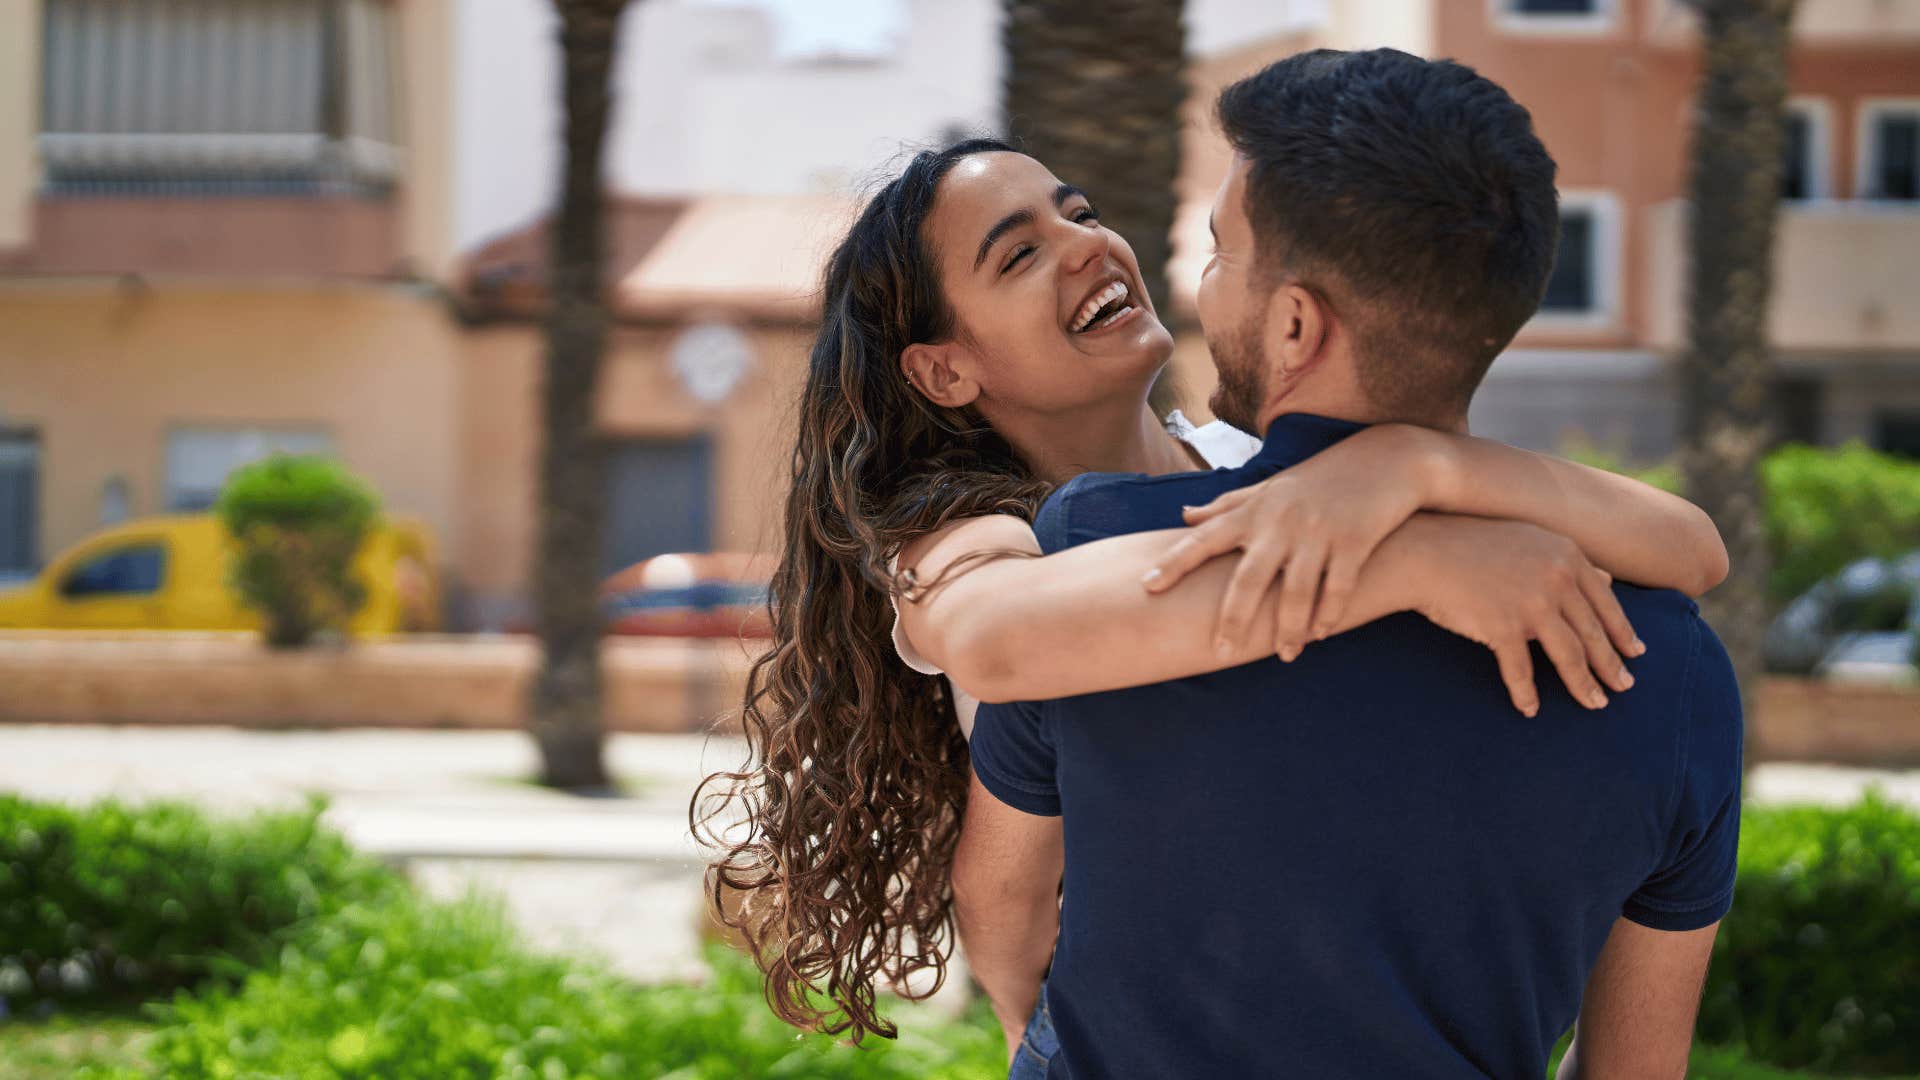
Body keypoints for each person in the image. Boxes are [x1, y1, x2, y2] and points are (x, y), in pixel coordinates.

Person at [691, 125, 1728, 1046]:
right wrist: (1408, 559)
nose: (1086, 245)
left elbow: (1690, 549)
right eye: (1019, 253)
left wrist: (1426, 466)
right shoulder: (958, 542)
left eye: (1079, 211)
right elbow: (1004, 646)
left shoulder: (1271, 459)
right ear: (947, 371)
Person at [953, 49, 1743, 1079]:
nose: (1199, 286)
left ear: (1294, 325)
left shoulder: (1105, 552)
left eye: (1221, 252)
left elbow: (1000, 900)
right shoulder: (1669, 665)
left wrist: (1038, 1037)